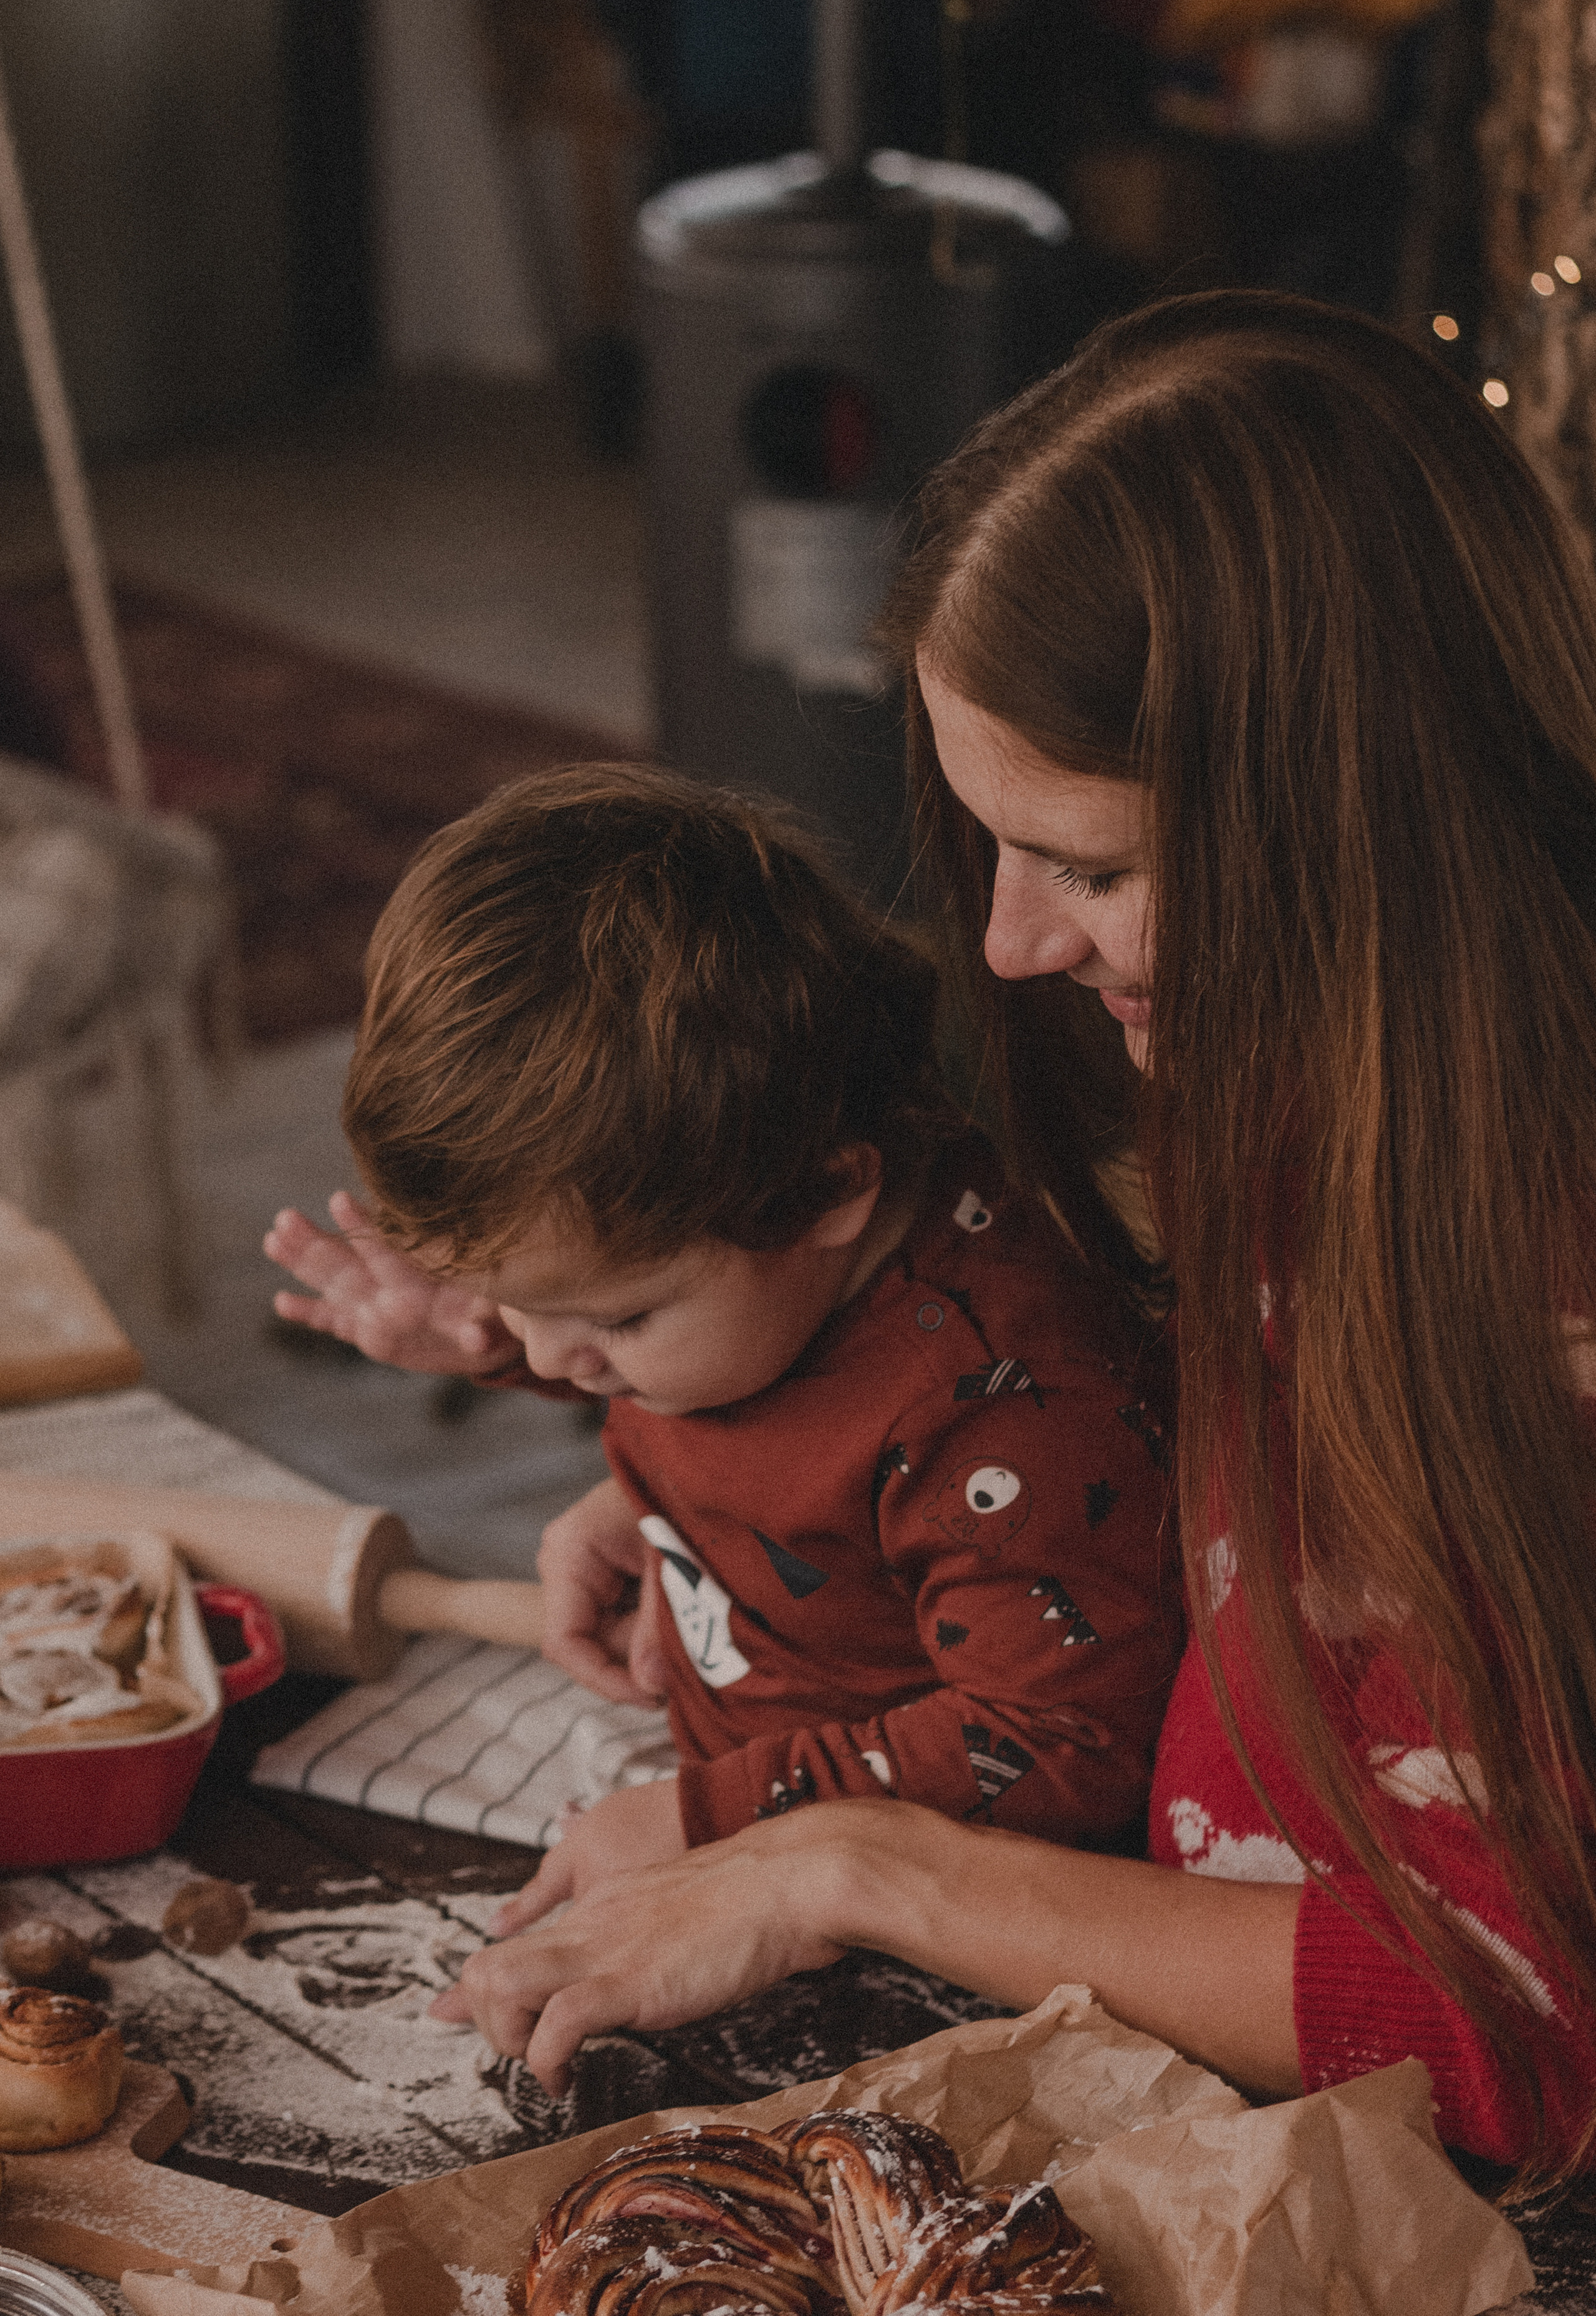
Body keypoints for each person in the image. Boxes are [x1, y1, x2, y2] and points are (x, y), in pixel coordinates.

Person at [427, 292, 1596, 2188]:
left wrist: (853, 1864)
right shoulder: (1308, 1072)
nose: (1011, 946)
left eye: (1101, 869)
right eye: (999, 851)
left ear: (1355, 817)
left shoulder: (1540, 1260)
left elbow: (1504, 2019)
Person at [267, 766, 1181, 1903]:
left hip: (944, 1912)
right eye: (524, 1309)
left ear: (826, 1197)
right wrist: (503, 1342)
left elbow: (1063, 1742)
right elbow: (756, 1396)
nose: (554, 1362)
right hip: (754, 1807)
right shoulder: (778, 1265)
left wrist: (709, 1822)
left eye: (616, 1317)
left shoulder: (1004, 1415)